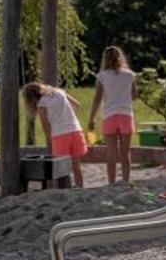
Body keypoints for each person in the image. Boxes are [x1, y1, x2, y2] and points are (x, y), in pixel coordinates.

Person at [22, 81, 86, 189]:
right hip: (75, 130)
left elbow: (46, 127)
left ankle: (64, 191)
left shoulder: (42, 103)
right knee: (76, 166)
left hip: (60, 135)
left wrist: (49, 145)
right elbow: (77, 105)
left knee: (61, 169)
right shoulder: (59, 91)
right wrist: (69, 119)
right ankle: (81, 189)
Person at [89, 46, 138, 187]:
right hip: (126, 115)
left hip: (109, 116)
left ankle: (111, 182)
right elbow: (134, 97)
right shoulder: (130, 75)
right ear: (120, 57)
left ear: (105, 59)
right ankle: (126, 180)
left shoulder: (102, 76)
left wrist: (92, 118)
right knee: (125, 152)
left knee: (111, 153)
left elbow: (97, 99)